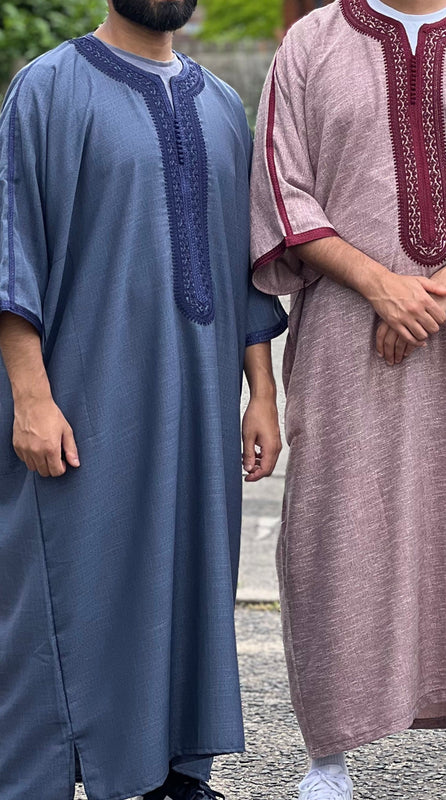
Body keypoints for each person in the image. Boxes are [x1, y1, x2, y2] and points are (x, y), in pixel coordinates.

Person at [249, 0, 446, 797]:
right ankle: (327, 757)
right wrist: (381, 286)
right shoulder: (309, 47)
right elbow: (282, 192)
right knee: (337, 528)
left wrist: (436, 291)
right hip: (344, 338)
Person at [0, 0, 288, 797]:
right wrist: (31, 396)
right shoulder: (49, 89)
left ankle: (174, 772)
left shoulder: (224, 105)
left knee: (189, 575)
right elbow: (11, 241)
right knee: (74, 583)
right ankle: (52, 774)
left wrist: (260, 391)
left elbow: (243, 264)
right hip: (84, 400)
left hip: (200, 403)